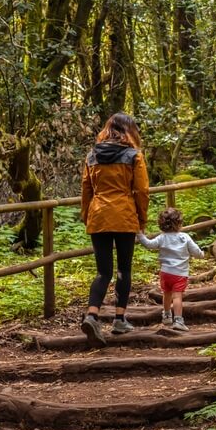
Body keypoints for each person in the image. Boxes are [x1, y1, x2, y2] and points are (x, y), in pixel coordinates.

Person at [79, 113, 150, 347]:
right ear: (129, 130)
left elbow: (86, 189)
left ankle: (92, 314)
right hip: (124, 214)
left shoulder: (92, 155)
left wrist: (86, 215)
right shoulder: (133, 156)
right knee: (124, 269)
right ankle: (119, 319)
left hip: (98, 215)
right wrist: (142, 218)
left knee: (103, 271)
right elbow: (141, 191)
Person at [137, 207, 204, 332]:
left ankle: (167, 315)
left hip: (165, 273)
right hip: (180, 274)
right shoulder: (184, 237)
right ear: (179, 223)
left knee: (166, 294)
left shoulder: (162, 238)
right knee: (177, 297)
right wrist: (202, 254)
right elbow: (196, 252)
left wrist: (140, 234)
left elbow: (149, 244)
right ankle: (178, 320)